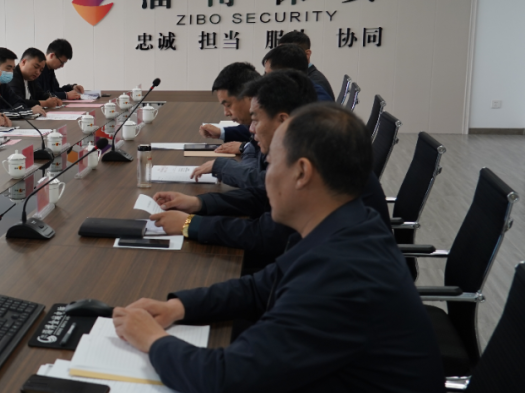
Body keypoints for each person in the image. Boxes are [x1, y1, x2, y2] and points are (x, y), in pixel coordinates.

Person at [114, 103, 448, 393]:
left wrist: (153, 341)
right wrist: (180, 307)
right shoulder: (346, 226)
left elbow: (228, 379)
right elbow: (262, 285)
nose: (263, 176)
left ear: (302, 172)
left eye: (270, 164)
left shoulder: (343, 273)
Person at [154, 72, 391, 274]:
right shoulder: (305, 146)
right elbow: (262, 196)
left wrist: (190, 224)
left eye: (256, 119)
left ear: (283, 120)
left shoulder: (312, 161)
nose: (251, 130)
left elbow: (266, 234)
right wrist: (198, 203)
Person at [198, 62, 260, 148]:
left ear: (250, 96)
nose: (226, 113)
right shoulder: (257, 123)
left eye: (228, 105)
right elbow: (248, 131)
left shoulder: (274, 124)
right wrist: (221, 132)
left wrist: (243, 148)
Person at [261, 44, 333, 101]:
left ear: (287, 75)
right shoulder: (295, 92)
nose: (265, 80)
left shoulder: (315, 104)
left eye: (268, 75)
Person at [279, 30, 334, 98]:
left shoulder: (316, 82)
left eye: (286, 53)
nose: (281, 58)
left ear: (307, 54)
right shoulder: (302, 77)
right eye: (279, 53)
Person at [9, 48, 60, 113]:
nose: (38, 72)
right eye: (36, 67)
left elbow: (40, 93)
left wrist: (52, 98)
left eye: (41, 70)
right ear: (24, 62)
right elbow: (18, 102)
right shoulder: (12, 77)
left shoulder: (30, 78)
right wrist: (45, 103)